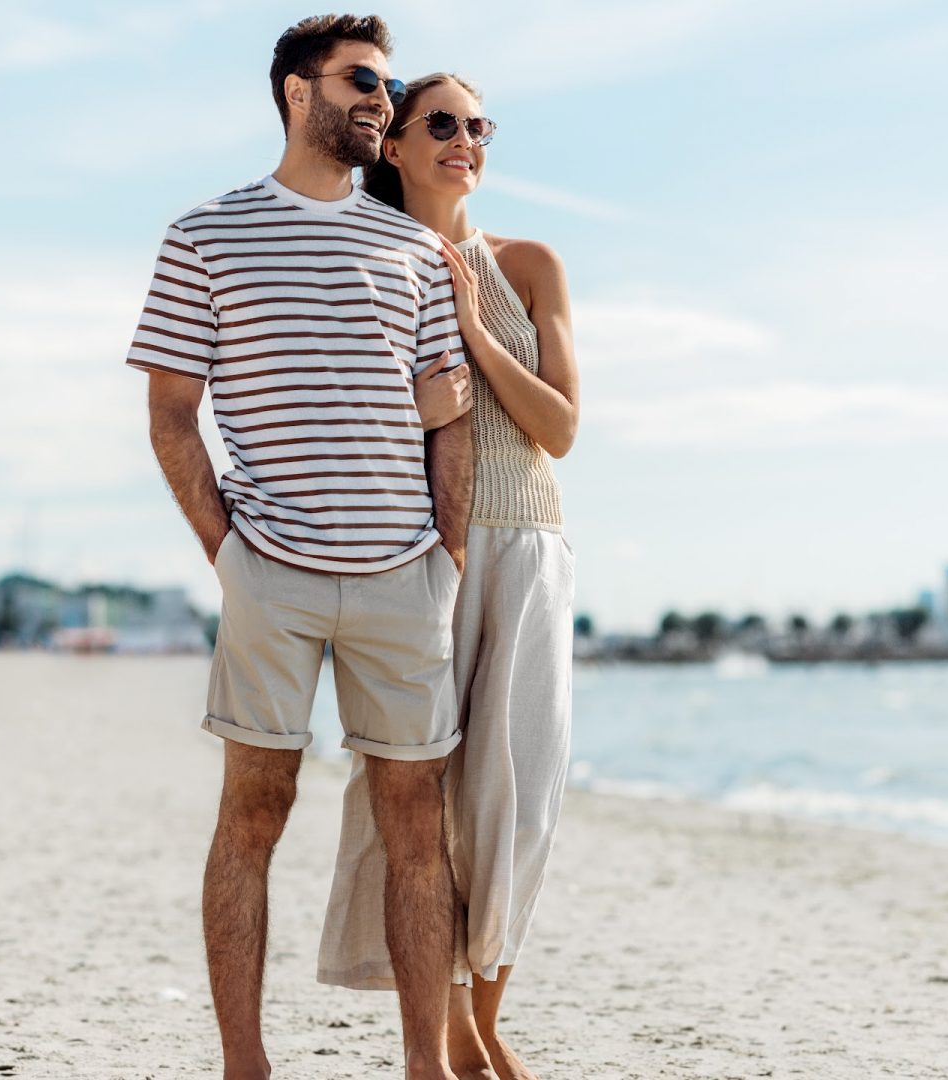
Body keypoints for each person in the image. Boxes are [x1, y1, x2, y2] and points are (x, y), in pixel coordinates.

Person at [124, 16, 473, 1080]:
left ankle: (424, 1065)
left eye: (388, 83)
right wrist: (227, 553)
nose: (381, 100)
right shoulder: (205, 235)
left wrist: (446, 560)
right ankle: (246, 1065)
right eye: (361, 81)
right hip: (268, 573)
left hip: (402, 578)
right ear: (295, 92)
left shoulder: (415, 248)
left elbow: (445, 419)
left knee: (417, 830)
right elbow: (172, 413)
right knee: (253, 816)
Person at [317, 72, 580, 1080]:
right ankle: (436, 1038)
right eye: (443, 123)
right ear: (392, 145)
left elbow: (557, 427)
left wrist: (474, 331)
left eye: (478, 124)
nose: (465, 138)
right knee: (412, 798)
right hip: (416, 552)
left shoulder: (528, 262)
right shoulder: (364, 267)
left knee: (519, 793)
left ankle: (483, 1013)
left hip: (527, 547)